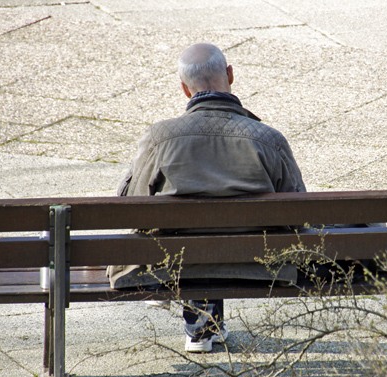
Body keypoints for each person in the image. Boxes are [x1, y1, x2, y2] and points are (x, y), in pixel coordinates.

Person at [107, 43, 306, 353]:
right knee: (222, 237)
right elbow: (298, 211)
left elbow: (129, 207)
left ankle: (200, 326)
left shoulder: (161, 137)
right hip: (259, 264)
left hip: (176, 264)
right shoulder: (268, 139)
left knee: (186, 238)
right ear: (230, 75)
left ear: (185, 90)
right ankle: (206, 325)